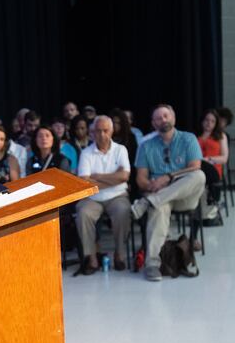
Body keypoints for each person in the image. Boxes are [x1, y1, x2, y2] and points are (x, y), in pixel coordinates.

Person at [131, 104, 206, 282]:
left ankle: (147, 202)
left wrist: (168, 177)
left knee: (199, 175)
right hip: (161, 196)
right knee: (158, 208)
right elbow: (141, 179)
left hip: (185, 195)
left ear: (173, 118)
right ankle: (152, 265)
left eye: (166, 116)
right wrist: (152, 186)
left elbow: (195, 166)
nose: (163, 120)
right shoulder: (146, 145)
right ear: (153, 123)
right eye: (158, 118)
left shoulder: (188, 139)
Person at [75, 116, 132, 274]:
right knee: (83, 214)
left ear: (112, 131)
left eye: (105, 130)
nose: (102, 134)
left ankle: (119, 254)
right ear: (92, 132)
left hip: (117, 196)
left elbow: (125, 176)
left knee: (123, 211)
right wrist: (114, 177)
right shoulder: (86, 153)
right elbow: (85, 182)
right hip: (92, 197)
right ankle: (92, 258)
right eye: (98, 131)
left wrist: (97, 176)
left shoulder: (121, 150)